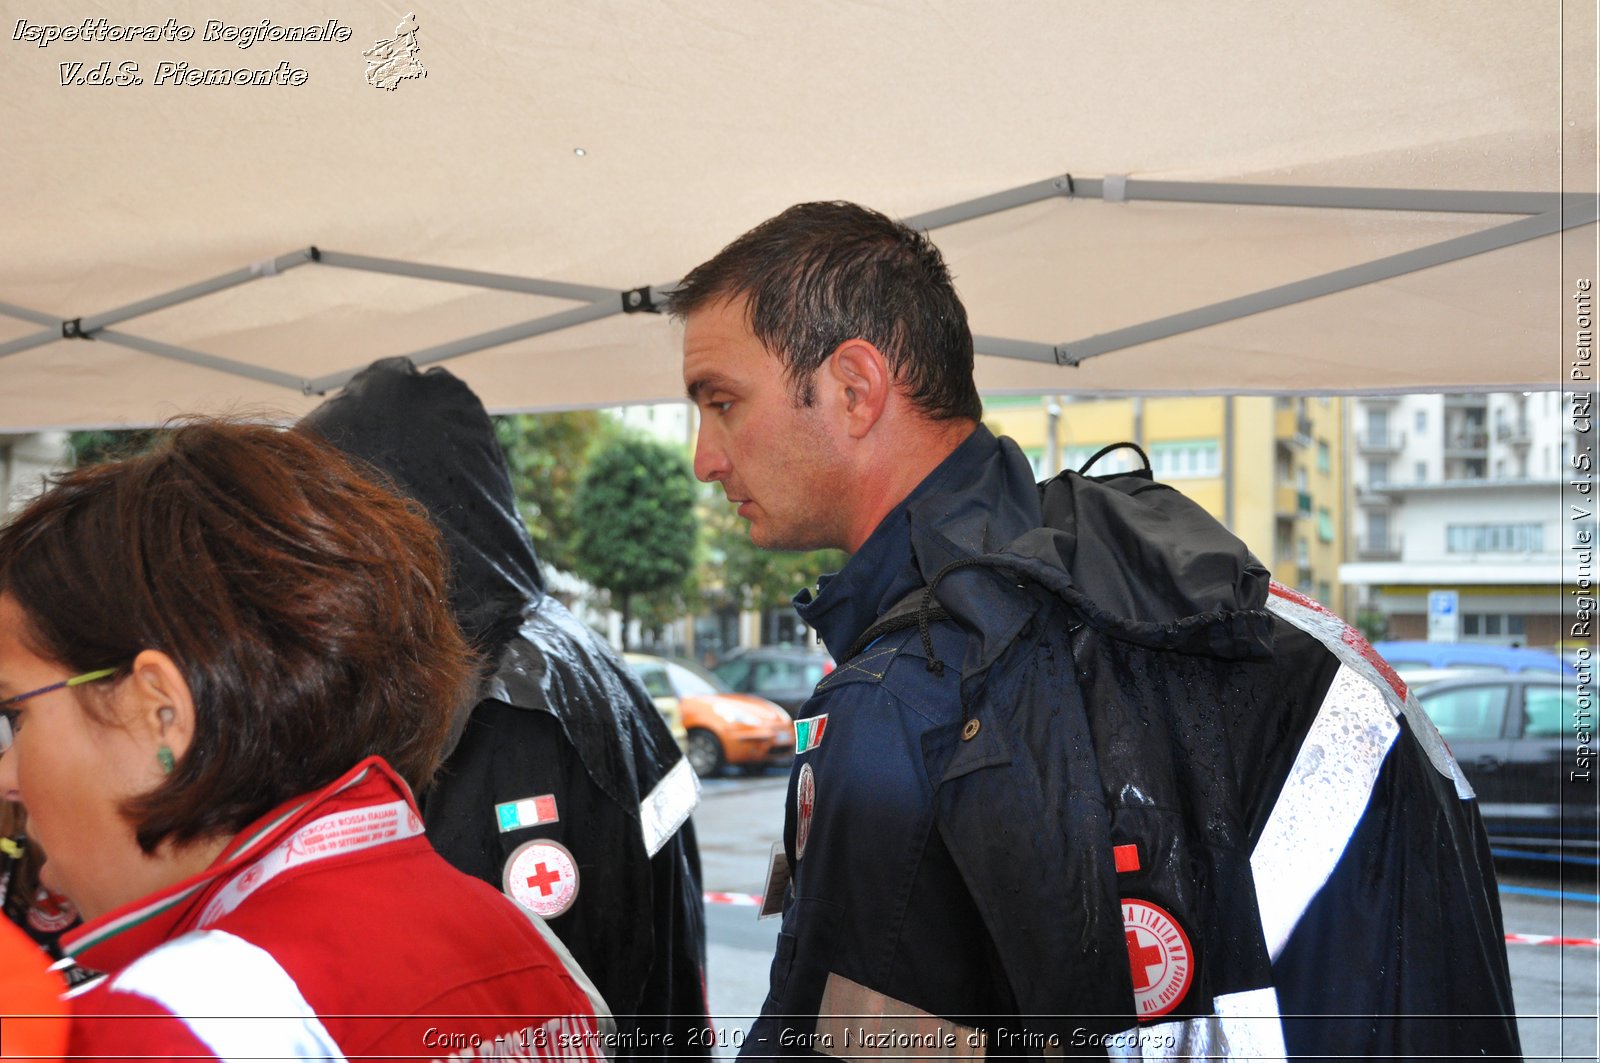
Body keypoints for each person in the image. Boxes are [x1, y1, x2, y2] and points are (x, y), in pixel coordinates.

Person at [669, 202, 1521, 1059]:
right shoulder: (1213, 606)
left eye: (723, 401)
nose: (705, 456)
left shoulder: (913, 697)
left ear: (855, 389)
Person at [0, 420, 603, 1059]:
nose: (8, 774)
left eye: (16, 714)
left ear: (161, 714)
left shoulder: (174, 1023)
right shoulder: (532, 950)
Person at [301, 358, 712, 1058]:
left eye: (327, 524)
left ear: (400, 516)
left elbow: (506, 1005)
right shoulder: (555, 648)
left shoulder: (504, 704)